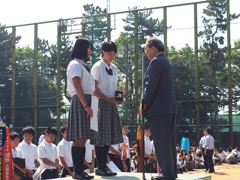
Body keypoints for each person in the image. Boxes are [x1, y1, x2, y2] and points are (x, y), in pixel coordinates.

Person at [140, 37, 177, 180]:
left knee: (161, 143)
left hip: (158, 110)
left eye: (146, 49)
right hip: (168, 108)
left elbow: (150, 85)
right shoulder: (166, 61)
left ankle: (166, 174)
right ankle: (170, 173)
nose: (145, 52)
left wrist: (144, 103)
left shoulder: (155, 62)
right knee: (169, 142)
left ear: (154, 48)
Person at [66, 38, 99, 179]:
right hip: (81, 101)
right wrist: (85, 105)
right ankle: (77, 171)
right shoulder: (74, 64)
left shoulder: (84, 66)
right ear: (82, 48)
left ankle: (80, 172)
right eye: (88, 48)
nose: (90, 51)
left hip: (88, 100)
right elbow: (77, 85)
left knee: (84, 138)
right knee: (78, 138)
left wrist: (93, 105)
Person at [91, 41, 123, 176]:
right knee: (99, 137)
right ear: (103, 52)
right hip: (98, 103)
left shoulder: (115, 68)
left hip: (110, 103)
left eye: (114, 54)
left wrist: (118, 97)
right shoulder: (97, 67)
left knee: (107, 136)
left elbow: (114, 87)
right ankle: (100, 166)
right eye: (110, 53)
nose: (112, 56)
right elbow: (92, 88)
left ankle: (104, 166)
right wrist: (107, 98)